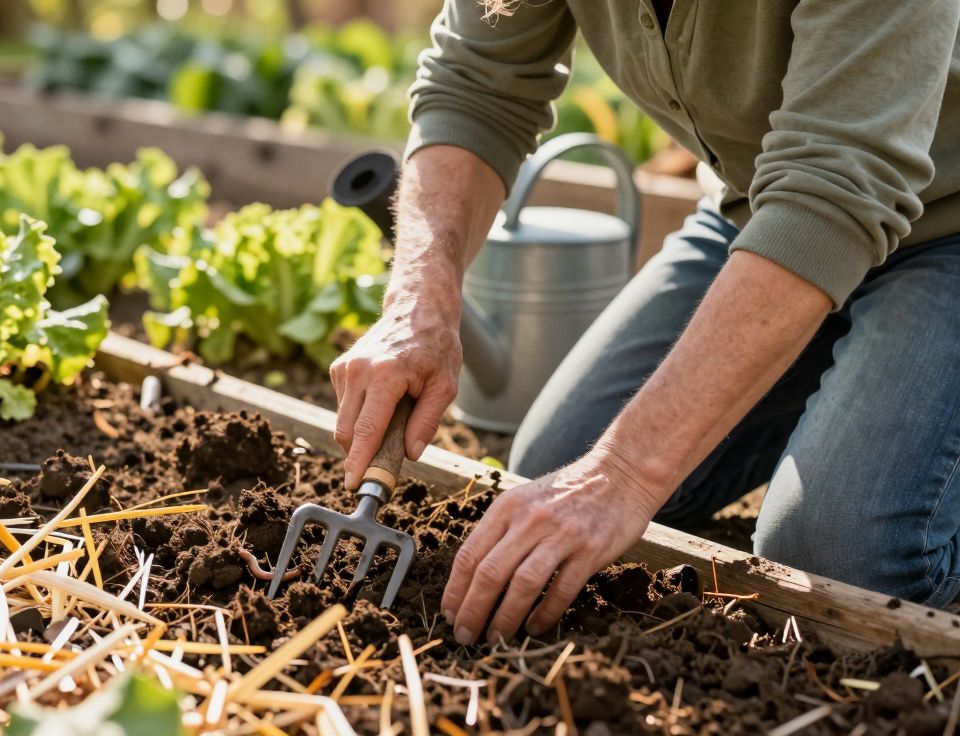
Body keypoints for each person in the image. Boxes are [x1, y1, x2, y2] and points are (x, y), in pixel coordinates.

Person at [329, 0, 960, 646]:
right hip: (762, 212)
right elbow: (475, 82)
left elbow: (834, 190)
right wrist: (419, 297)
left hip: (942, 225)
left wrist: (623, 474)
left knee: (838, 555)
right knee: (556, 462)